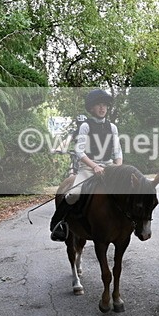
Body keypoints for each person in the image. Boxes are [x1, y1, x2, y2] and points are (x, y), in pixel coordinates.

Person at [50, 89, 123, 241]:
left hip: (109, 166)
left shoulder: (113, 128)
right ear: (91, 108)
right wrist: (94, 166)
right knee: (73, 194)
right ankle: (58, 225)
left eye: (104, 105)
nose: (102, 108)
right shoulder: (85, 126)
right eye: (98, 105)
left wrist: (118, 168)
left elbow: (118, 152)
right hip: (88, 167)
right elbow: (79, 151)